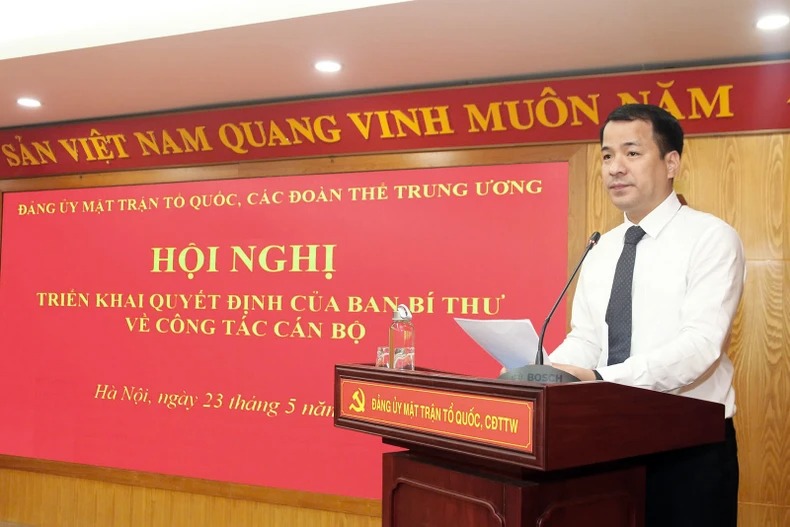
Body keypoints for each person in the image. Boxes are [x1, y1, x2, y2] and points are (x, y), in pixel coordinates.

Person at [548, 103, 744, 527]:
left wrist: (602, 380)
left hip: (687, 450)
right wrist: (544, 374)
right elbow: (587, 338)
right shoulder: (602, 248)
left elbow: (700, 346)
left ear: (671, 163)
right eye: (607, 155)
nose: (615, 167)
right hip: (605, 441)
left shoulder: (710, 238)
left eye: (632, 153)